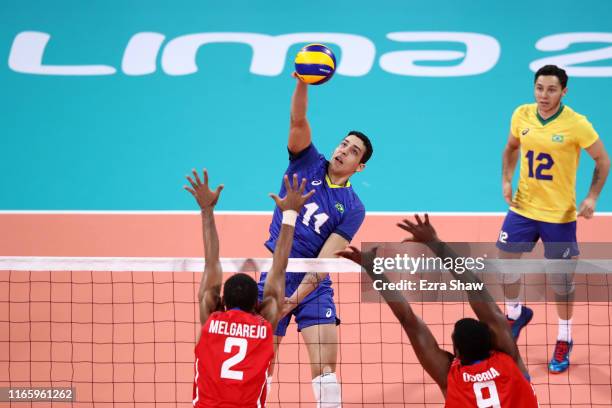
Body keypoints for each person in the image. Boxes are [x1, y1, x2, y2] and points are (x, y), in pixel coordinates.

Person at [337, 214, 539, 407]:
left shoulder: (450, 377)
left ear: (456, 352)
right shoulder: (508, 357)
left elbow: (410, 321)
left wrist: (373, 270)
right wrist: (435, 243)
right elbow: (474, 286)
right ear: (492, 341)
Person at [258, 73, 373, 407]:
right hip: (276, 276)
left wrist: (293, 301)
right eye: (343, 144)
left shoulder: (353, 208)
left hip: (313, 284)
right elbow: (298, 119)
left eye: (353, 152)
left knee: (325, 371)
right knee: (261, 362)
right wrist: (303, 82)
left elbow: (325, 261)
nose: (344, 151)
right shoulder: (307, 161)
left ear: (359, 166)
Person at [498, 64, 610, 373]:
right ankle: (516, 313)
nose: (544, 95)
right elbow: (511, 148)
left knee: (560, 281)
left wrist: (591, 198)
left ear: (564, 91)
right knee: (505, 261)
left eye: (551, 90)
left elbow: (602, 159)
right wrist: (507, 179)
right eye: (539, 88)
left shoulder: (577, 124)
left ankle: (564, 337)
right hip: (523, 207)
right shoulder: (521, 114)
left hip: (559, 215)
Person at [185, 169, 313, 407]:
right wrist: (290, 214)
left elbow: (211, 263)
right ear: (259, 304)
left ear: (220, 300)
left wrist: (206, 210)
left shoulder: (210, 319)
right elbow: (279, 267)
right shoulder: (265, 325)